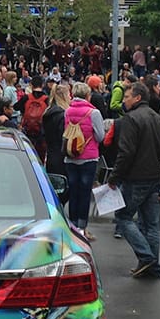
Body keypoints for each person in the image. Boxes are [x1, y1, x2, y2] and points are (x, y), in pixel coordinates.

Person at [109, 81, 160, 280]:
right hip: (154, 178)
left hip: (135, 178)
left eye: (127, 97)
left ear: (137, 98)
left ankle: (146, 257)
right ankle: (152, 266)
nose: (124, 101)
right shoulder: (158, 119)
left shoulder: (131, 119)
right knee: (151, 225)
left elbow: (126, 152)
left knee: (123, 217)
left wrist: (114, 177)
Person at [63, 82, 105, 239]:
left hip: (71, 156)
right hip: (88, 157)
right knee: (85, 193)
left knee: (73, 192)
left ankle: (73, 226)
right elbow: (100, 136)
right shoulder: (93, 113)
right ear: (88, 96)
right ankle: (82, 227)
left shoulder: (67, 111)